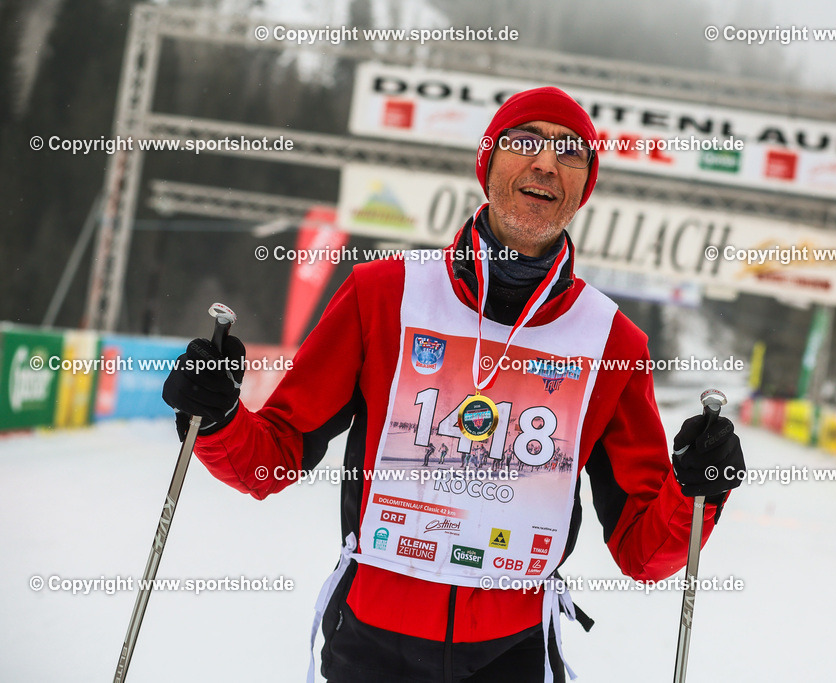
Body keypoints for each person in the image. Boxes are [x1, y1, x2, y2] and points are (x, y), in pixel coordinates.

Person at [162, 86, 746, 683]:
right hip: (371, 645)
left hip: (511, 655)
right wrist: (217, 417)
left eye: (570, 153)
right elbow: (272, 458)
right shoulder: (382, 295)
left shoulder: (614, 344)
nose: (546, 163)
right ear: (487, 162)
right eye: (525, 143)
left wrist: (699, 488)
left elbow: (644, 552)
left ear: (583, 187)